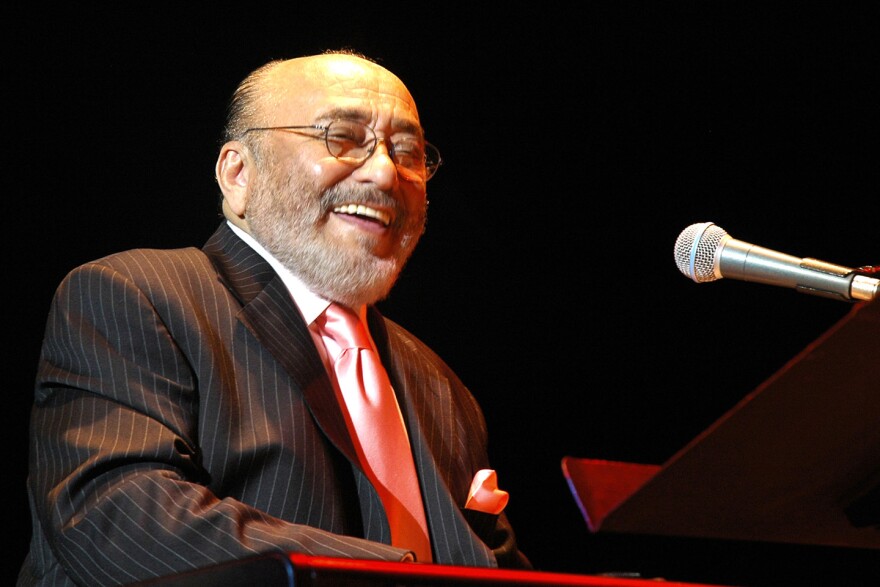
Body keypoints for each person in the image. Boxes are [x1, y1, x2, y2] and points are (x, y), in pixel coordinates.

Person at [18, 50, 531, 586]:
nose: (385, 173)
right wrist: (400, 576)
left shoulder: (441, 386)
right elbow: (119, 520)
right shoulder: (135, 296)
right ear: (238, 174)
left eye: (408, 151)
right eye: (342, 137)